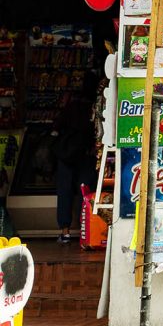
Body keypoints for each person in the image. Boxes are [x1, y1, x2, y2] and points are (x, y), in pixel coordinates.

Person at [53, 72, 99, 243]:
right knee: (84, 192)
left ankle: (65, 231)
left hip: (66, 155)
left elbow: (57, 125)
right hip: (86, 155)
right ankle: (84, 230)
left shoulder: (71, 105)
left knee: (64, 191)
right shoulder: (95, 107)